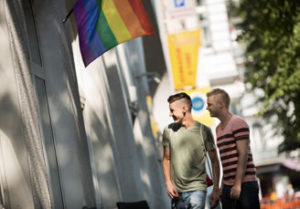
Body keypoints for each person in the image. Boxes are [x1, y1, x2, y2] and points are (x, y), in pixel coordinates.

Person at [162, 92, 221, 209]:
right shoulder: (168, 131)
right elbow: (166, 159)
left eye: (172, 110)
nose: (170, 114)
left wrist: (216, 189)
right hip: (177, 192)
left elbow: (214, 160)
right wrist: (168, 183)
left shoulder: (203, 130)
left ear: (184, 109)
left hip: (197, 189)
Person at [206, 88, 260, 209]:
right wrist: (220, 188)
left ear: (221, 105)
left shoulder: (238, 123)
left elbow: (243, 154)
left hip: (244, 185)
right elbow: (226, 163)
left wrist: (237, 184)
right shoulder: (218, 129)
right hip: (228, 187)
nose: (207, 108)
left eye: (209, 105)